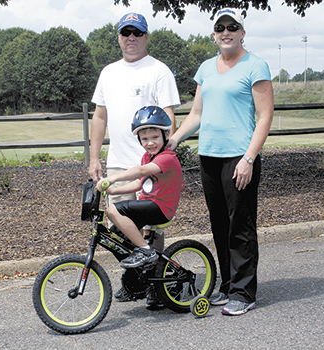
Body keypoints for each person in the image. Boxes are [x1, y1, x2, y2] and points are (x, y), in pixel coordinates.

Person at [168, 8, 274, 316]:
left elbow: (264, 116)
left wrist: (249, 158)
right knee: (219, 223)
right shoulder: (206, 68)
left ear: (242, 32)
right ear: (214, 34)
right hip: (209, 157)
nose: (226, 31)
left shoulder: (256, 65)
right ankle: (228, 285)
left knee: (240, 224)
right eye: (220, 27)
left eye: (232, 26)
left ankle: (244, 292)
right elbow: (197, 115)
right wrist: (174, 139)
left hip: (240, 157)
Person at [89, 12, 180, 304]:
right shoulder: (108, 72)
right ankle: (135, 281)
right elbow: (99, 116)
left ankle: (160, 288)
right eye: (126, 33)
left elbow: (168, 117)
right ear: (118, 37)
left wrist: (164, 157)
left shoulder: (158, 70)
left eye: (137, 33)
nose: (131, 38)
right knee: (120, 231)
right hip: (118, 163)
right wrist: (94, 158)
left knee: (151, 232)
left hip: (150, 167)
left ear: (146, 37)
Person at [97, 106, 182, 310]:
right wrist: (112, 191)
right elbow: (139, 184)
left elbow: (142, 171)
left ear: (166, 135)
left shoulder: (167, 157)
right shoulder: (148, 156)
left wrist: (114, 177)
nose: (150, 143)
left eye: (155, 137)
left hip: (161, 208)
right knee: (117, 236)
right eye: (145, 139)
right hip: (149, 203)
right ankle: (141, 284)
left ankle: (145, 251)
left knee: (114, 211)